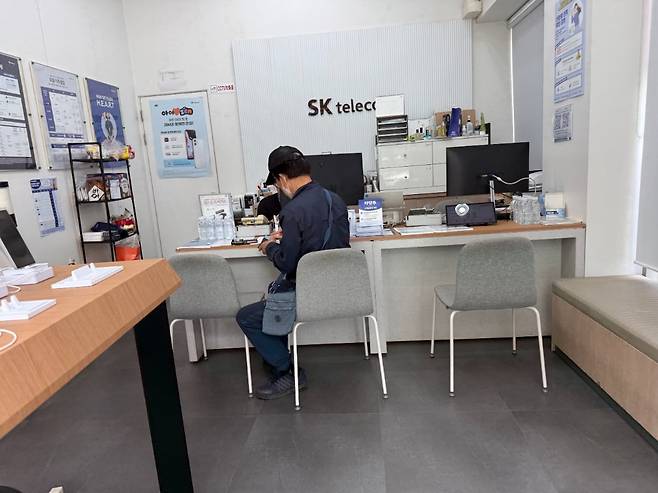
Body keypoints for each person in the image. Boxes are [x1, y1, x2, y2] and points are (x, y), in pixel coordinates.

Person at [236, 146, 350, 400]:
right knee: (273, 299)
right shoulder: (336, 200)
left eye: (276, 184)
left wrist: (269, 246)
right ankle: (277, 361)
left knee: (247, 316)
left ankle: (287, 371)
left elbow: (287, 264)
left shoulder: (292, 211)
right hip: (339, 290)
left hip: (308, 295)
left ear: (282, 179)